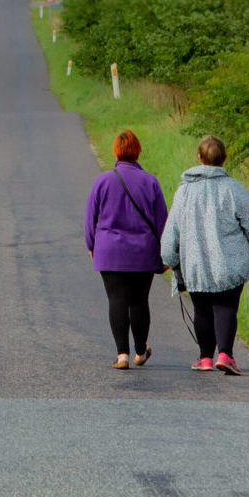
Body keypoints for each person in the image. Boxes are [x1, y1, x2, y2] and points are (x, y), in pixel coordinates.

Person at [160, 134, 249, 375]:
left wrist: (169, 259)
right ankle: (226, 355)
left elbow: (172, 228)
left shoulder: (184, 191)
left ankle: (205, 358)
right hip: (230, 261)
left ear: (199, 157)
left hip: (195, 262)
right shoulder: (235, 189)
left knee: (202, 309)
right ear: (224, 158)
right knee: (226, 307)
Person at [84, 129, 169, 369]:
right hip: (143, 252)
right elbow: (162, 220)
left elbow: (91, 219)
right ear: (138, 151)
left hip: (109, 251)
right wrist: (166, 251)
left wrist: (92, 245)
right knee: (140, 301)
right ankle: (140, 352)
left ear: (116, 152)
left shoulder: (102, 180)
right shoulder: (150, 181)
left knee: (117, 300)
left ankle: (122, 354)